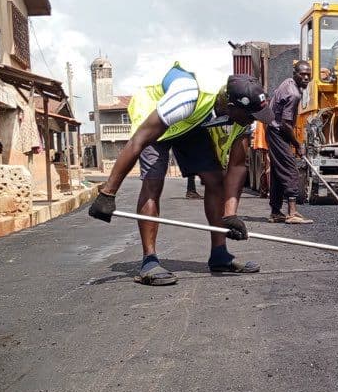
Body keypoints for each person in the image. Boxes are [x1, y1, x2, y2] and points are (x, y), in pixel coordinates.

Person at [88, 65, 272, 285]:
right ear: (231, 107)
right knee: (154, 182)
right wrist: (108, 193)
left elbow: (237, 166)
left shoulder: (240, 118)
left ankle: (220, 254)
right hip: (154, 116)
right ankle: (149, 261)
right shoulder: (187, 96)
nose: (254, 120)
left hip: (191, 123)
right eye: (251, 116)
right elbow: (137, 141)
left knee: (215, 179)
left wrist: (230, 215)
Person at [267, 60, 312, 224]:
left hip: (274, 130)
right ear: (295, 74)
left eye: (308, 74)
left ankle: (275, 212)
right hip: (278, 131)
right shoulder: (294, 94)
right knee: (290, 169)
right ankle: (292, 213)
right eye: (302, 74)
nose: (306, 78)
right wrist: (297, 144)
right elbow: (286, 124)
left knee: (278, 172)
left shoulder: (288, 82)